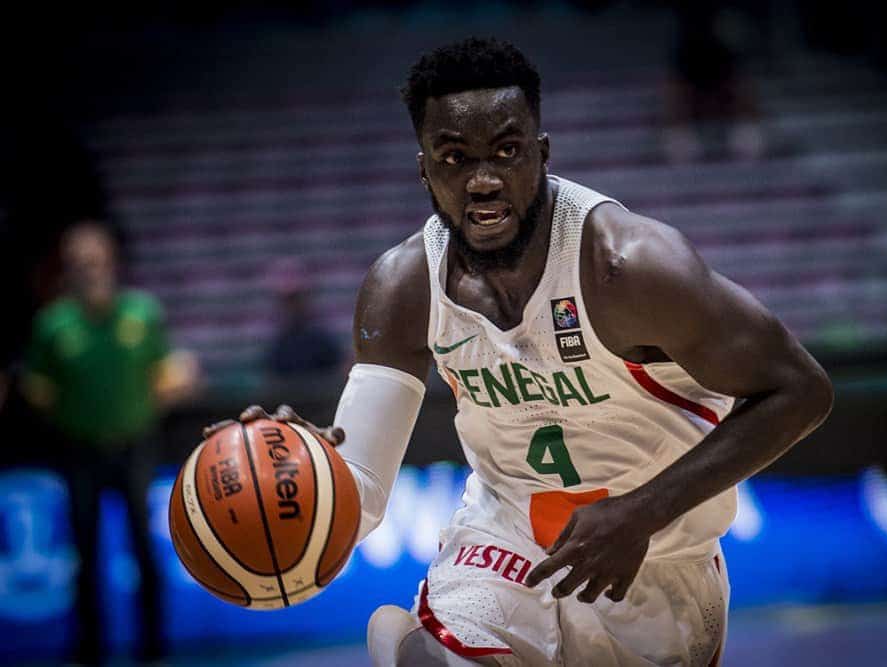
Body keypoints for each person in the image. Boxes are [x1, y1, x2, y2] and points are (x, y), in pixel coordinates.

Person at [209, 38, 833, 666]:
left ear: (541, 153)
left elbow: (802, 390)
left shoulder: (629, 266)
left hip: (657, 560)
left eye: (505, 152)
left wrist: (643, 513)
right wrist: (301, 466)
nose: (483, 180)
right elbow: (363, 488)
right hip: (500, 542)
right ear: (424, 169)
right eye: (454, 157)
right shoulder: (401, 287)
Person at [22, 221, 198, 664]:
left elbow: (167, 376)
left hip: (136, 446)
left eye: (95, 261)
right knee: (85, 551)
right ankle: (90, 647)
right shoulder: (52, 325)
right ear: (68, 269)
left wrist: (178, 383)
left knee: (144, 547)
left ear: (112, 263)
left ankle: (153, 645)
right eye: (79, 263)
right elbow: (39, 392)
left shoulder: (142, 313)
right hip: (79, 450)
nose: (89, 270)